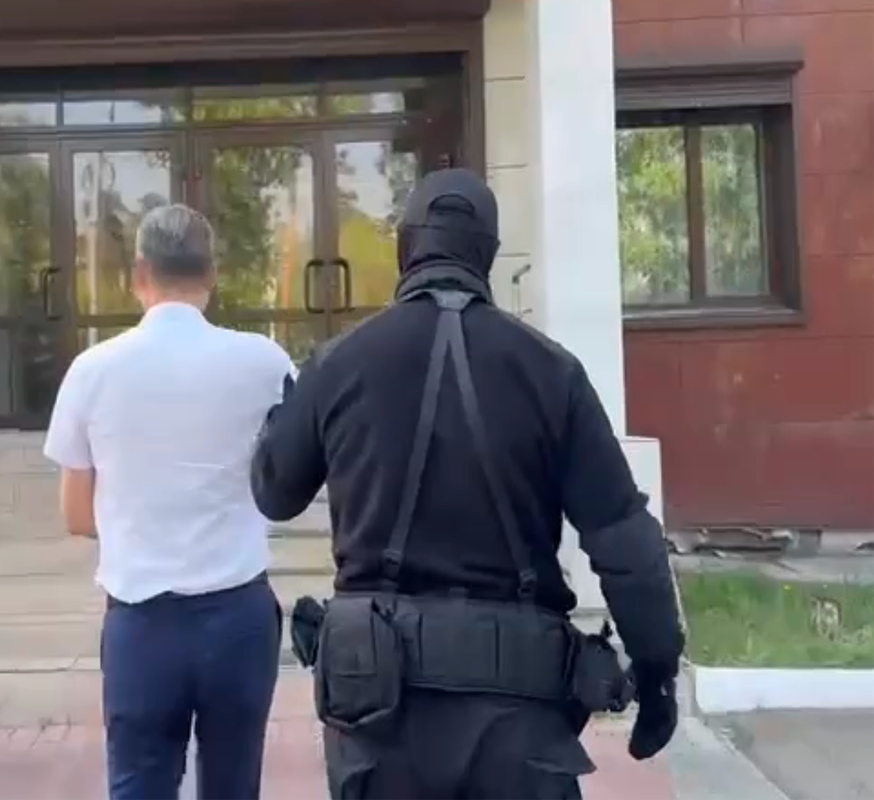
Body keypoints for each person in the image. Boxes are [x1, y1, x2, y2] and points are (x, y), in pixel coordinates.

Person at [250, 169, 685, 799]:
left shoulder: (339, 363)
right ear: (488, 254)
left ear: (405, 248)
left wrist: (277, 423)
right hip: (519, 720)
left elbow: (275, 493)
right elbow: (623, 538)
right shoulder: (554, 372)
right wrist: (657, 672)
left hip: (378, 715)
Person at [43, 204, 294, 800]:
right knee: (234, 785)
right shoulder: (265, 363)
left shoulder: (92, 370)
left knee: (139, 785)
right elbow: (294, 475)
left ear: (138, 274)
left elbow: (76, 515)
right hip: (239, 615)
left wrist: (140, 516)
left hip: (142, 623)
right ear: (212, 275)